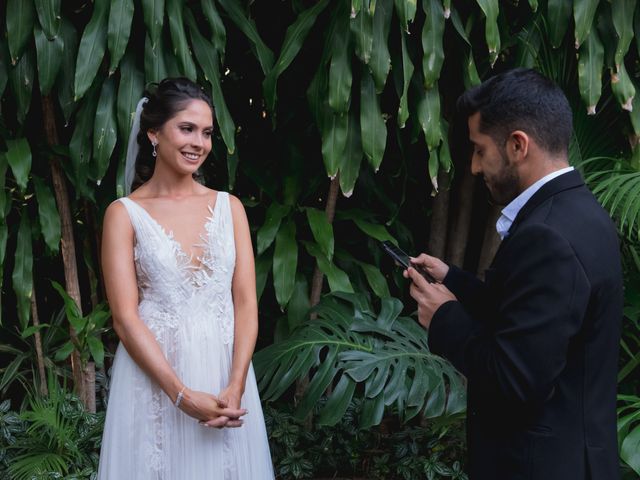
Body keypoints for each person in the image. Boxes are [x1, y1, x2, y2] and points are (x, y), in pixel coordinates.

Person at [404, 68, 622, 479]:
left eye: (480, 149)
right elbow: (531, 321)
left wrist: (446, 319)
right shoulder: (582, 213)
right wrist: (453, 279)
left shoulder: (547, 236)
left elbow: (514, 381)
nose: (473, 166)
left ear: (518, 145)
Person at [97, 77, 274, 479]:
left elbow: (245, 303)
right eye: (187, 128)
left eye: (207, 133)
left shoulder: (229, 208)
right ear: (153, 133)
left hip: (224, 379)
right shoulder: (123, 214)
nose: (199, 142)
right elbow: (125, 318)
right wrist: (179, 394)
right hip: (154, 382)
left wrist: (236, 384)